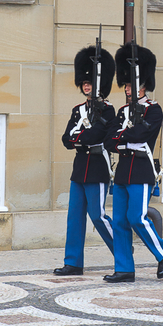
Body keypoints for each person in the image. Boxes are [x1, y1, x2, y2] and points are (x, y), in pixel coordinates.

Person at [103, 42, 163, 283]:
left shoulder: (153, 110)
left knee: (137, 217)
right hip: (123, 170)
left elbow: (141, 135)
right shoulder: (122, 112)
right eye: (127, 85)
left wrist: (121, 137)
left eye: (133, 85)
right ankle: (124, 268)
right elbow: (108, 140)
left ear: (144, 86)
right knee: (121, 221)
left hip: (141, 169)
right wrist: (122, 138)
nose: (128, 89)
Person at [54, 43, 116, 276]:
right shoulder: (78, 110)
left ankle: (122, 251)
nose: (86, 85)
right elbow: (66, 139)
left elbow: (96, 136)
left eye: (90, 82)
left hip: (98, 166)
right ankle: (73, 262)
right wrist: (81, 138)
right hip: (80, 167)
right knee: (74, 217)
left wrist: (79, 138)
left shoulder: (108, 111)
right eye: (84, 82)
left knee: (98, 216)